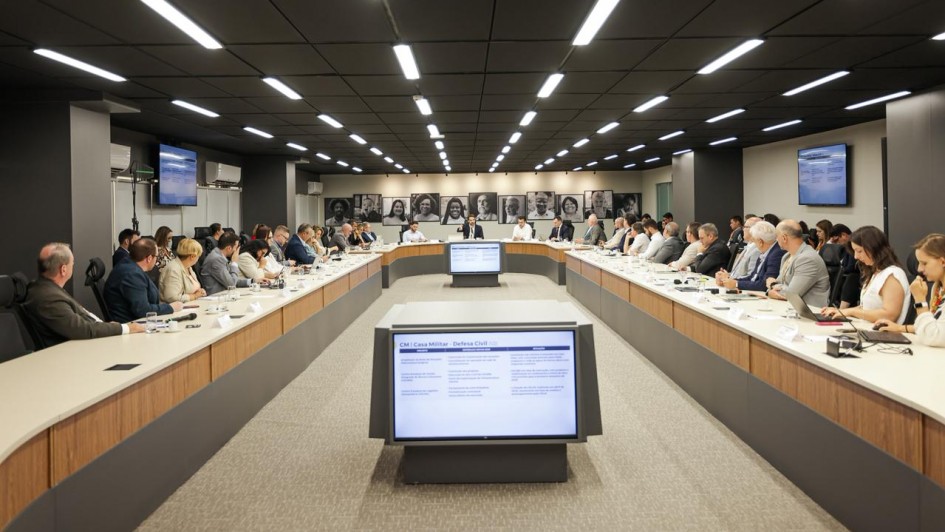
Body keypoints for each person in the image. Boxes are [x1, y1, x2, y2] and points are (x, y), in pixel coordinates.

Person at [23, 243, 144, 347]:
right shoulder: (49, 298)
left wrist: (109, 327)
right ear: (63, 269)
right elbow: (82, 330)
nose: (73, 266)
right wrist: (126, 328)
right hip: (77, 352)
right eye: (73, 263)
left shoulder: (48, 288)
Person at [821, 226, 909, 324]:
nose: (856, 256)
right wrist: (841, 311)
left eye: (859, 251)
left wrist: (851, 311)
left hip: (884, 335)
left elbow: (889, 315)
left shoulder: (892, 275)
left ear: (874, 248)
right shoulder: (875, 273)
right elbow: (867, 308)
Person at [876, 233, 945, 345]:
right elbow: (935, 325)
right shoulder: (938, 289)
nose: (919, 268)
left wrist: (920, 300)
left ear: (943, 262)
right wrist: (900, 328)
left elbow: (933, 336)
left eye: (924, 263)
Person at [104, 238, 183, 322]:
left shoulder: (129, 265)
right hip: (134, 325)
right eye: (156, 256)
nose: (157, 260)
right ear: (149, 258)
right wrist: (170, 308)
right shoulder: (132, 274)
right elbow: (142, 310)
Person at [766, 220, 831, 307]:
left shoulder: (808, 259)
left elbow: (791, 294)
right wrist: (771, 289)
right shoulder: (787, 256)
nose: (776, 239)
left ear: (784, 238)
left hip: (809, 313)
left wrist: (772, 285)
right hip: (788, 308)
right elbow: (778, 284)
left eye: (777, 236)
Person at [715, 221, 785, 292]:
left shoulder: (776, 254)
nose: (754, 244)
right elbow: (752, 277)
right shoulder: (766, 251)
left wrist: (736, 284)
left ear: (760, 242)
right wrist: (729, 281)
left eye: (754, 241)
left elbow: (765, 285)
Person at [159, 238, 207, 303]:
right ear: (192, 256)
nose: (198, 258)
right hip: (176, 310)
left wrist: (200, 291)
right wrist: (194, 296)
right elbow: (171, 297)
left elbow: (193, 289)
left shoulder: (188, 267)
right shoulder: (173, 269)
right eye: (198, 256)